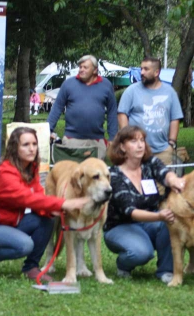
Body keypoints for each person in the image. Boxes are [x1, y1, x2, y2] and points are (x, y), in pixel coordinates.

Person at [0, 127, 91, 280]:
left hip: (8, 224)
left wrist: (51, 211)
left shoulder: (30, 169)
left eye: (34, 144)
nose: (32, 149)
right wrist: (63, 203)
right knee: (25, 245)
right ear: (14, 148)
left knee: (47, 219)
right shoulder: (5, 172)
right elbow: (25, 198)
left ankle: (31, 267)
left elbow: (38, 198)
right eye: (25, 145)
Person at [103, 125, 185, 283]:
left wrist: (175, 181)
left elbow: (164, 173)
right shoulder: (114, 175)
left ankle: (166, 271)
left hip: (148, 223)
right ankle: (123, 264)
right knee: (142, 253)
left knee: (170, 223)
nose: (140, 145)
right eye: (133, 141)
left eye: (142, 140)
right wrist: (159, 216)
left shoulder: (149, 163)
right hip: (120, 227)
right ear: (122, 146)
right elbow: (131, 212)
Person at [47, 55, 118, 160]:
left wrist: (113, 137)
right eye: (80, 67)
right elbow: (57, 108)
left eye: (85, 67)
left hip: (97, 141)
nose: (81, 70)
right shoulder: (68, 84)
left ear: (95, 70)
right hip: (72, 140)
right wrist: (47, 130)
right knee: (72, 174)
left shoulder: (106, 85)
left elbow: (112, 112)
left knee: (94, 175)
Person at [118, 57, 183, 165]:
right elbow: (122, 114)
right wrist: (127, 140)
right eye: (141, 69)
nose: (142, 72)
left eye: (146, 69)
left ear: (156, 72)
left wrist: (171, 143)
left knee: (162, 181)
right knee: (136, 182)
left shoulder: (170, 92)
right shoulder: (131, 91)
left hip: (163, 152)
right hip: (136, 151)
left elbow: (175, 118)